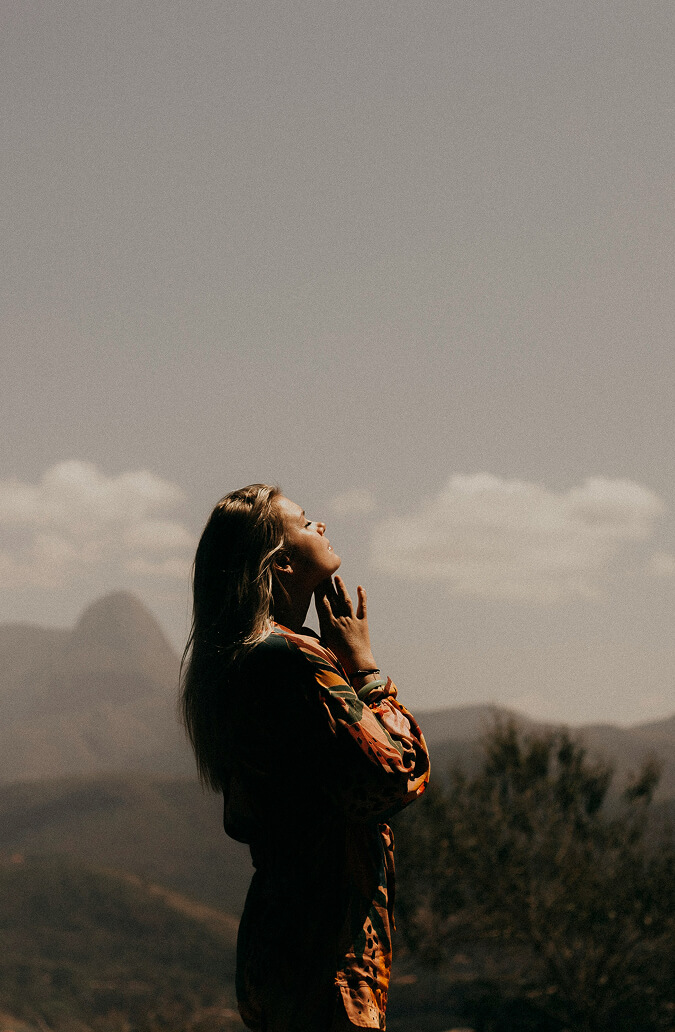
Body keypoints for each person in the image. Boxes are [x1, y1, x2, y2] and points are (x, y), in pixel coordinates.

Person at [180, 484, 430, 1032]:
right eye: (304, 521)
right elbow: (397, 776)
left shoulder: (244, 661)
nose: (321, 525)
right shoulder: (289, 658)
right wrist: (365, 669)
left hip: (283, 944)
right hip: (324, 949)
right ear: (282, 562)